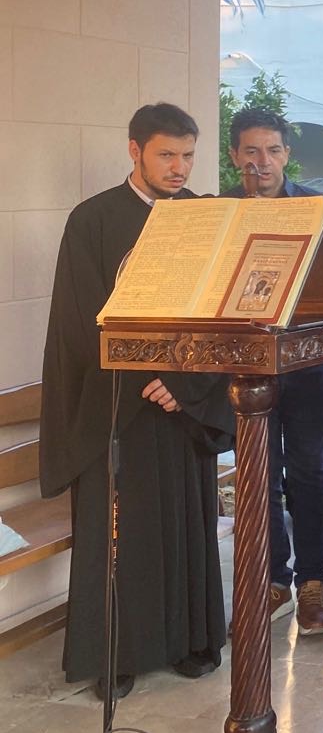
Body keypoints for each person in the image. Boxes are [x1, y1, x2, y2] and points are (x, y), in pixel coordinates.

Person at [39, 103, 235, 700]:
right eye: (166, 155)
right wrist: (145, 375)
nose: (179, 168)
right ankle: (117, 652)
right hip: (118, 404)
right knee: (119, 531)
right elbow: (80, 319)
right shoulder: (93, 220)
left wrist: (186, 385)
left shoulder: (206, 218)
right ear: (134, 151)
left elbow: (222, 314)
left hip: (183, 405)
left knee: (186, 524)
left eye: (188, 156)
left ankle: (190, 640)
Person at [222, 106, 323, 636]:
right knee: (258, 474)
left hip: (309, 360)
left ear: (287, 154)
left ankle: (313, 582)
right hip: (246, 362)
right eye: (251, 151)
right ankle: (273, 580)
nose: (262, 162)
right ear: (234, 156)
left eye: (272, 150)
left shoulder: (316, 210)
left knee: (311, 468)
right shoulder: (220, 211)